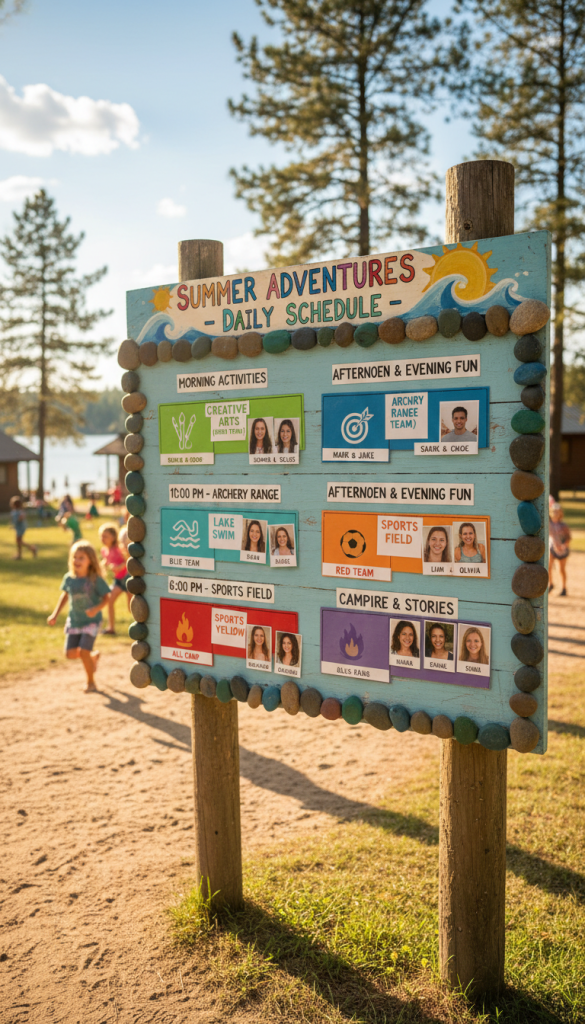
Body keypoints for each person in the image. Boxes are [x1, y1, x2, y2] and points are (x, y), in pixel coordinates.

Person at [47, 541, 110, 692]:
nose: (77, 560)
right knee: (69, 654)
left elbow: (106, 598)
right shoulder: (69, 578)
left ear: (90, 561)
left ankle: (91, 682)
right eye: (75, 557)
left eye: (81, 558)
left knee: (83, 651)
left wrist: (95, 609)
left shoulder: (95, 579)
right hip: (75, 620)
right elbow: (65, 596)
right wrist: (55, 614)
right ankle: (92, 657)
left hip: (91, 621)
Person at [99, 523, 130, 634]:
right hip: (118, 580)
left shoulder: (119, 549)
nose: (102, 539)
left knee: (131, 608)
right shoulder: (104, 550)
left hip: (127, 579)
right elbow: (107, 560)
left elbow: (128, 560)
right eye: (101, 536)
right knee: (110, 600)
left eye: (105, 536)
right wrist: (103, 565)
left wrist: (119, 567)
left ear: (113, 537)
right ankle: (111, 628)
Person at [549, 500, 571, 596]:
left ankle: (564, 588)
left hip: (562, 550)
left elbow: (568, 538)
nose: (555, 513)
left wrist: (564, 546)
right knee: (548, 567)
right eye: (554, 511)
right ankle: (551, 584)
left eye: (557, 512)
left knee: (561, 569)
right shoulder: (549, 524)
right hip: (552, 548)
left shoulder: (563, 525)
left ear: (561, 513)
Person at [9, 495, 37, 560]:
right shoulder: (15, 511)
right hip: (18, 528)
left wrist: (18, 520)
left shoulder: (19, 511)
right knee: (18, 541)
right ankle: (19, 555)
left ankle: (32, 548)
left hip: (20, 528)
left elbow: (21, 517)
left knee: (19, 541)